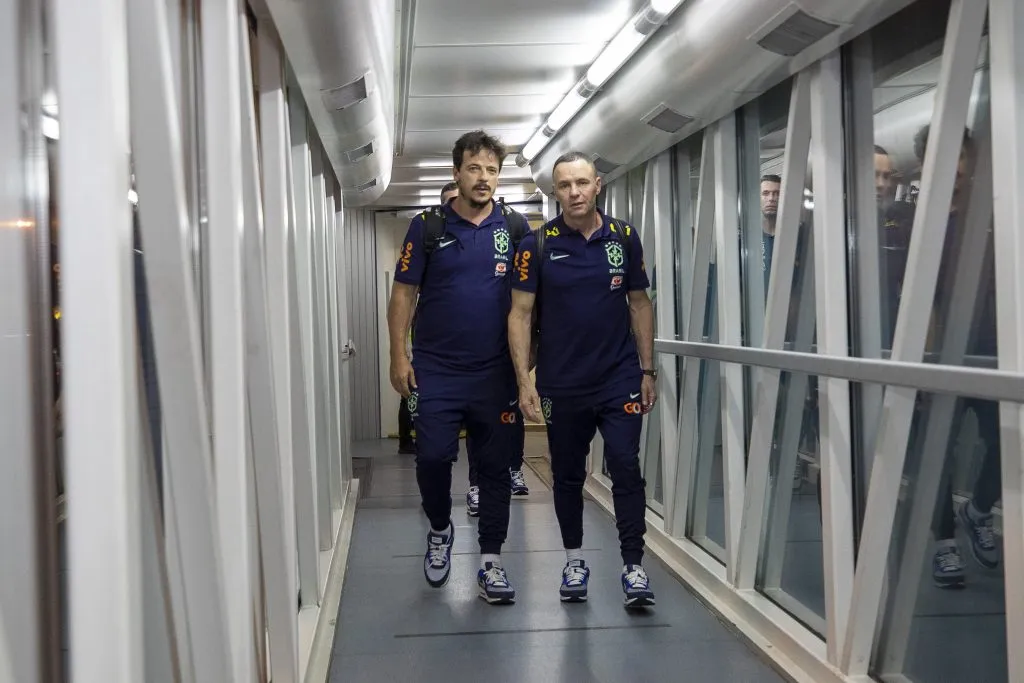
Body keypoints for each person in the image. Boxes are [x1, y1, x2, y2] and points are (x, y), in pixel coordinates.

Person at [509, 151, 657, 607]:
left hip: (618, 378)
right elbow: (520, 313)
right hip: (562, 384)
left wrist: (647, 369)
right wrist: (524, 381)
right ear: (555, 192)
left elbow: (639, 304)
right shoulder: (536, 244)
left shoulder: (624, 238)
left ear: (598, 185)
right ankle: (574, 559)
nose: (574, 192)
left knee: (626, 467)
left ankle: (633, 566)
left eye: (581, 183)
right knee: (568, 475)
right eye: (564, 185)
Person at [387, 131, 524, 604]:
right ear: (457, 173)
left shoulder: (517, 227)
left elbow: (529, 304)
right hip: (437, 370)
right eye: (474, 168)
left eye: (491, 170)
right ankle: (441, 529)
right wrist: (398, 354)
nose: (483, 178)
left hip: (496, 372)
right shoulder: (428, 227)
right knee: (431, 458)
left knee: (495, 469)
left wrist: (527, 371)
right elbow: (403, 293)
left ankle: (490, 562)